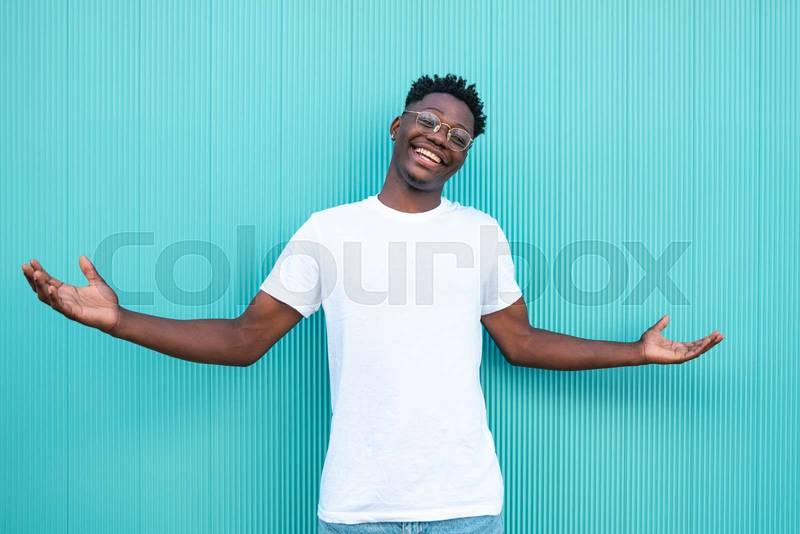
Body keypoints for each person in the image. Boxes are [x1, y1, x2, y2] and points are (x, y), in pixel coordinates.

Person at [21, 74, 724, 534]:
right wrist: (118, 321)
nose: (441, 139)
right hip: (358, 508)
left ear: (464, 156)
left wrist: (634, 351)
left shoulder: (480, 234)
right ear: (397, 125)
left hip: (466, 508)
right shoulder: (329, 231)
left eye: (459, 137)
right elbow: (243, 341)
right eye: (429, 121)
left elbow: (523, 342)